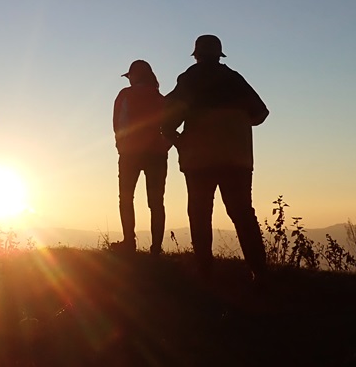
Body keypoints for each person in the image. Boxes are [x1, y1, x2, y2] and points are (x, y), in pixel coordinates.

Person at [162, 35, 269, 279]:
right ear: (219, 55)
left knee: (199, 213)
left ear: (197, 55)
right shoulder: (234, 79)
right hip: (237, 160)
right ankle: (260, 273)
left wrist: (181, 143)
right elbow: (261, 113)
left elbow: (168, 123)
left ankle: (205, 270)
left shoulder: (189, 80)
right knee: (242, 213)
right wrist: (237, 126)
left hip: (198, 161)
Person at [112, 59, 170, 255]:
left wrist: (121, 145)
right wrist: (165, 146)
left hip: (130, 153)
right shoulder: (160, 98)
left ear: (134, 76)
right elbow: (169, 126)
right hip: (157, 154)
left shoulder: (125, 95)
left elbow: (118, 123)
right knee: (156, 202)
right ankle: (156, 248)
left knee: (126, 198)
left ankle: (129, 242)